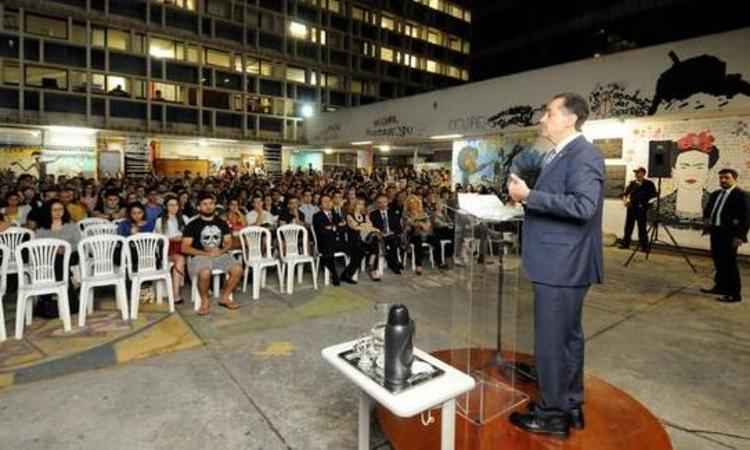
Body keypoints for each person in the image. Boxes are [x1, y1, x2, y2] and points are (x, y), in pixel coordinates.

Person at [507, 93, 604, 438]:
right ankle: (570, 403)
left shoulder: (583, 154)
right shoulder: (563, 154)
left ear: (570, 118)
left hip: (562, 265)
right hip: (563, 261)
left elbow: (583, 206)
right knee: (568, 339)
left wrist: (529, 196)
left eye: (548, 113)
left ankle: (551, 415)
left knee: (551, 341)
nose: (542, 119)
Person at [182, 192, 243, 315]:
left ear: (215, 205)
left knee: (238, 269)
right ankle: (205, 302)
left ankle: (224, 297)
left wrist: (220, 251)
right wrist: (205, 253)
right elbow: (185, 248)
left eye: (211, 203)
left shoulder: (221, 223)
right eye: (204, 204)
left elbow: (228, 242)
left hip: (219, 254)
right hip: (199, 256)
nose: (208, 206)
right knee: (205, 273)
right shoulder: (192, 224)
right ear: (199, 207)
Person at [701, 169, 749, 303]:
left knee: (730, 264)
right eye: (721, 178)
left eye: (726, 178)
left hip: (730, 235)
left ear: (734, 178)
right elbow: (708, 210)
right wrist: (706, 222)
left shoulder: (741, 195)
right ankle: (720, 287)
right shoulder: (716, 194)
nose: (723, 180)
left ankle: (734, 294)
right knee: (718, 261)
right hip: (716, 232)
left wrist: (739, 236)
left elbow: (745, 218)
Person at [313, 195, 362, 285]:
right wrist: (337, 227)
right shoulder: (317, 216)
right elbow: (322, 231)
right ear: (320, 205)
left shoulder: (335, 214)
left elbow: (345, 228)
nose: (328, 203)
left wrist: (332, 228)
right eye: (325, 201)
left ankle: (346, 274)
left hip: (338, 242)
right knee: (328, 250)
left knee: (359, 250)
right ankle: (334, 275)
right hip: (325, 244)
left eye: (329, 201)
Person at [154, 196, 188, 305]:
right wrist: (172, 238)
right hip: (167, 249)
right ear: (166, 207)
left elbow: (190, 235)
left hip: (183, 247)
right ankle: (175, 294)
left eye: (176, 205)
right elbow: (158, 239)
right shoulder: (160, 221)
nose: (174, 207)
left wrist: (182, 238)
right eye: (171, 205)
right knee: (180, 259)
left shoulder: (185, 218)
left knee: (187, 256)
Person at [403, 195, 445, 274]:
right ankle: (418, 265)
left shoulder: (423, 213)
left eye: (415, 202)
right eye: (411, 203)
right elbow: (409, 225)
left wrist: (424, 225)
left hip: (425, 233)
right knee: (418, 242)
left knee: (436, 240)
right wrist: (419, 224)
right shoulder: (406, 214)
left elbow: (428, 224)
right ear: (408, 204)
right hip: (413, 234)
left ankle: (439, 262)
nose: (413, 205)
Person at [618, 167, 657, 250]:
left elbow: (654, 195)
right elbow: (626, 193)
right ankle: (625, 244)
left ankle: (644, 246)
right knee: (628, 227)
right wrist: (626, 201)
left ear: (643, 173)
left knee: (642, 228)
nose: (636, 174)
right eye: (635, 172)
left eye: (638, 172)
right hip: (632, 208)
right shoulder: (632, 183)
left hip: (641, 208)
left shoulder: (649, 184)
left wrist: (647, 204)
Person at [346, 198, 383, 281]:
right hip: (355, 240)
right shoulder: (349, 215)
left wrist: (365, 226)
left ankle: (371, 266)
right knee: (374, 242)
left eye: (362, 204)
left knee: (375, 241)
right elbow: (355, 227)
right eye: (359, 204)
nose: (360, 206)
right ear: (354, 205)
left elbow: (369, 225)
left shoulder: (365, 215)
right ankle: (371, 268)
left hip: (366, 240)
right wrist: (366, 226)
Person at [369, 194, 404, 275]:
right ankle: (393, 262)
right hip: (380, 236)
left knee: (393, 240)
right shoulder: (373, 214)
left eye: (384, 202)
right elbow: (371, 228)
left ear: (387, 202)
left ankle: (394, 265)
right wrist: (379, 233)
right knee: (381, 242)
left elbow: (399, 229)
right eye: (380, 202)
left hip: (392, 235)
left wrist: (391, 232)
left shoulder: (393, 213)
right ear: (377, 204)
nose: (382, 204)